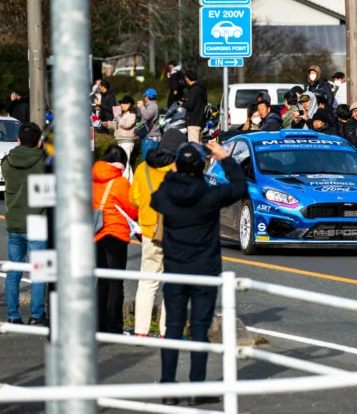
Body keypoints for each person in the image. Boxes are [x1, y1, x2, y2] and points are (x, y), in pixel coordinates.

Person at [151, 141, 247, 405]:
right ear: (202, 166)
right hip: (204, 269)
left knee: (173, 328)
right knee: (199, 329)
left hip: (175, 269)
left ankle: (168, 387)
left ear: (178, 166)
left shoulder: (167, 193)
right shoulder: (209, 195)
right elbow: (240, 186)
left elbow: (155, 198)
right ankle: (197, 386)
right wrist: (224, 158)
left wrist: (175, 168)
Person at [130, 129, 186, 338]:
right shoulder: (181, 170)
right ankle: (167, 333)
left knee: (147, 281)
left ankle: (141, 331)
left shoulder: (142, 168)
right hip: (175, 232)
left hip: (149, 231)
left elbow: (133, 199)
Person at [2, 122, 47, 326]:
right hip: (36, 219)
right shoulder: (43, 161)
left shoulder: (7, 161)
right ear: (38, 142)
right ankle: (36, 315)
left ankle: (13, 315)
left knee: (14, 271)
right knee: (39, 271)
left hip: (14, 220)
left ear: (18, 140)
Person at [93, 144, 139, 334]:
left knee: (102, 279)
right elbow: (132, 209)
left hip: (96, 232)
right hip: (116, 234)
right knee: (115, 281)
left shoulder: (93, 179)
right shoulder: (121, 183)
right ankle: (113, 325)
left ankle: (98, 323)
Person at [103, 95, 137, 183]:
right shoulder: (122, 115)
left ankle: (124, 182)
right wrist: (108, 124)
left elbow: (126, 125)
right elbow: (117, 125)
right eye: (121, 103)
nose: (121, 105)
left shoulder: (132, 115)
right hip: (121, 140)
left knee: (124, 162)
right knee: (126, 162)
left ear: (129, 104)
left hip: (127, 141)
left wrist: (118, 117)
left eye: (123, 103)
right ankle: (130, 182)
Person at [182, 72, 207, 143]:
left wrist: (183, 104)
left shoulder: (193, 90)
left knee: (194, 145)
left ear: (187, 79)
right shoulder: (202, 88)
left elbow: (190, 105)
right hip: (201, 121)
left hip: (193, 121)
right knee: (199, 144)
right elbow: (204, 102)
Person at [138, 88, 161, 162]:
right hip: (153, 136)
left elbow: (147, 116)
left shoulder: (152, 106)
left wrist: (141, 106)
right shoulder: (154, 105)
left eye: (145, 96)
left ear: (148, 97)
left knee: (146, 160)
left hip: (150, 137)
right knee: (152, 161)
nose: (144, 98)